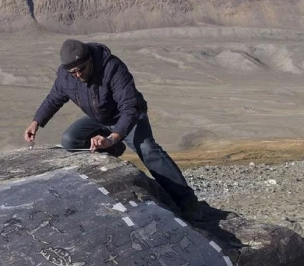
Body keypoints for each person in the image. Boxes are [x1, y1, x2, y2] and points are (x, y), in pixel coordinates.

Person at [24, 39, 202, 220]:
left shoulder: (112, 68)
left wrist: (113, 136)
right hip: (99, 119)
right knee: (70, 140)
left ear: (90, 60)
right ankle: (114, 149)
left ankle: (188, 201)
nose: (77, 74)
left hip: (128, 117)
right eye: (73, 72)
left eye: (81, 69)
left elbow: (129, 107)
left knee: (148, 150)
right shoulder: (65, 76)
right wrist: (36, 122)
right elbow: (54, 98)